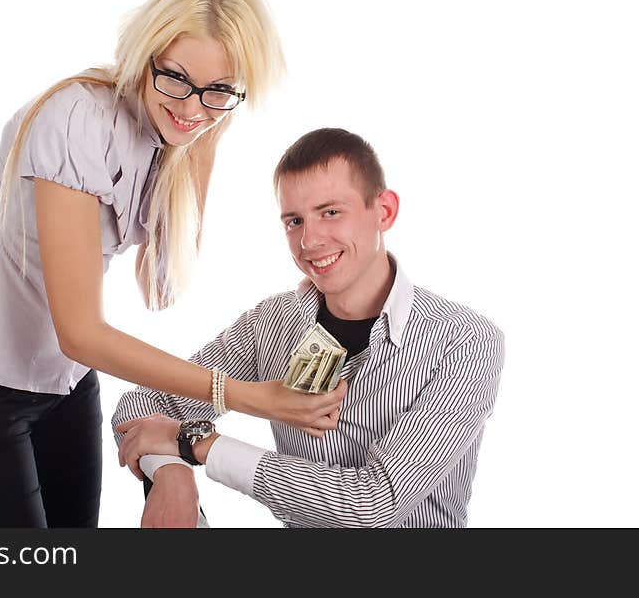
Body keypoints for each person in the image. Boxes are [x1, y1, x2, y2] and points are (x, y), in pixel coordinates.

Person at [0, 0, 346, 528]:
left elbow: (161, 286)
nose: (192, 106)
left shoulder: (178, 129)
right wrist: (248, 397)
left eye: (219, 89)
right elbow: (82, 330)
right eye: (176, 78)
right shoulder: (79, 119)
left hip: (63, 379)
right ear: (146, 52)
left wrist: (202, 142)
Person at [113, 127, 505, 528]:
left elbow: (373, 504)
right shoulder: (271, 324)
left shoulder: (466, 341)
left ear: (383, 211)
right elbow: (140, 407)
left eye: (331, 212)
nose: (309, 240)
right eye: (294, 221)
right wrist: (172, 472)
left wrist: (199, 446)